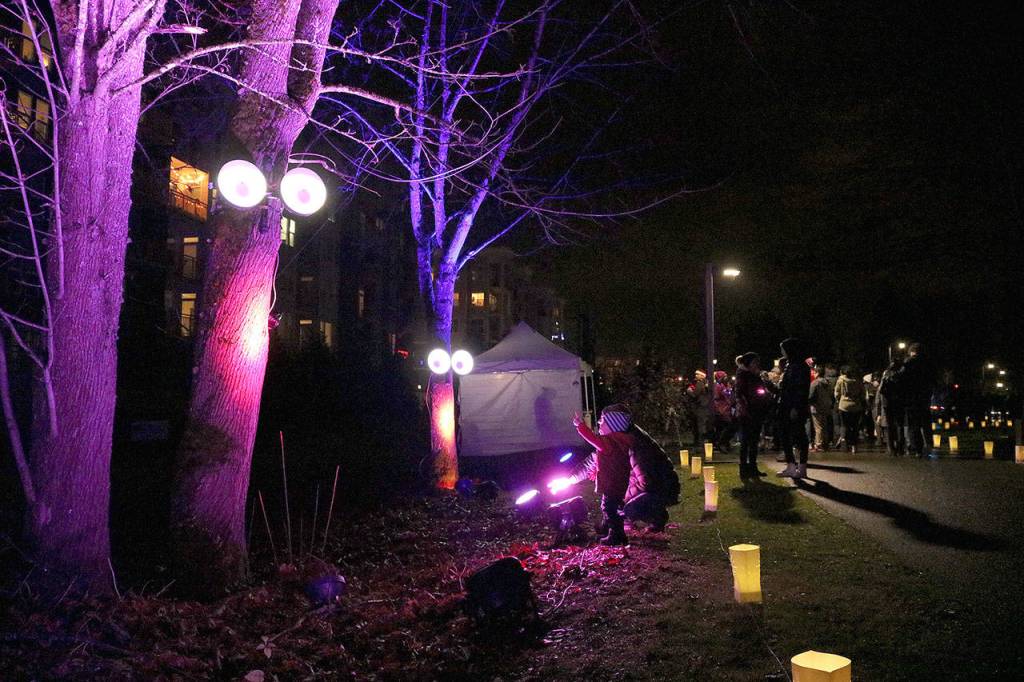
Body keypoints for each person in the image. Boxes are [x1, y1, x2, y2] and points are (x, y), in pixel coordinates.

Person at [552, 405, 634, 545]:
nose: (599, 423)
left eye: (603, 422)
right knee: (614, 507)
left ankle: (617, 535)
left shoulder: (610, 442)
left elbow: (593, 439)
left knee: (608, 508)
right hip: (619, 484)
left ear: (613, 426)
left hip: (611, 485)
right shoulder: (621, 442)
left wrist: (580, 425)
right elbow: (604, 462)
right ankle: (608, 527)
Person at [622, 424, 681, 532]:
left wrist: (623, 497)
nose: (599, 424)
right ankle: (652, 515)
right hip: (655, 487)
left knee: (625, 508)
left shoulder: (637, 448)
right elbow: (593, 459)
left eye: (602, 421)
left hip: (662, 489)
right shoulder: (624, 440)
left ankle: (657, 517)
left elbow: (646, 482)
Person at [733, 352, 775, 478]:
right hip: (748, 413)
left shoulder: (755, 376)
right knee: (746, 441)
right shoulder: (743, 375)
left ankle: (752, 467)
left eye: (757, 362)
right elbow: (739, 394)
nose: (757, 365)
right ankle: (744, 468)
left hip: (757, 411)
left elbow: (761, 390)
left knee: (754, 441)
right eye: (754, 362)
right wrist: (745, 407)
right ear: (748, 363)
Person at [893, 343, 935, 457]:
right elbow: (933, 380)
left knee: (913, 424)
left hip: (911, 397)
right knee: (926, 422)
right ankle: (929, 444)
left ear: (911, 352)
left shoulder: (908, 363)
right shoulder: (928, 364)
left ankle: (917, 449)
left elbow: (899, 377)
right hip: (924, 397)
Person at [777, 338, 811, 478]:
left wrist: (795, 407)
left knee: (794, 435)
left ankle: (795, 466)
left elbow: (799, 389)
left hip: (792, 405)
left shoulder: (797, 366)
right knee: (796, 435)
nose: (782, 351)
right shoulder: (794, 365)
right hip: (791, 404)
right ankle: (797, 466)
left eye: (783, 348)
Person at [876, 359, 905, 455]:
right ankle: (901, 448)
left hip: (887, 402)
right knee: (899, 425)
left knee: (889, 426)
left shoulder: (886, 373)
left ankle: (891, 448)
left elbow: (881, 389)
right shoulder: (902, 374)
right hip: (899, 402)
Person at [834, 365, 866, 453]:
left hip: (843, 405)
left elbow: (837, 393)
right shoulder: (858, 381)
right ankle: (854, 446)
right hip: (856, 405)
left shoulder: (841, 380)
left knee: (844, 425)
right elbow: (863, 393)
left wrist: (838, 400)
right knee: (855, 426)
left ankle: (845, 444)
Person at [808, 370, 835, 452]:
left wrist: (810, 403)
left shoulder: (814, 383)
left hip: (816, 407)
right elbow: (832, 395)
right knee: (825, 425)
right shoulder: (828, 383)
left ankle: (818, 444)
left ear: (817, 373)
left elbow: (810, 395)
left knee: (818, 427)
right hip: (826, 406)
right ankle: (825, 444)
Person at [685, 370, 713, 446]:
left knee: (700, 425)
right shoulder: (706, 383)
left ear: (702, 376)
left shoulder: (699, 383)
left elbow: (695, 395)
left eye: (697, 374)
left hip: (700, 407)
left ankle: (700, 442)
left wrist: (689, 391)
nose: (696, 375)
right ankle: (703, 441)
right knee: (703, 424)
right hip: (705, 406)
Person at [711, 370, 736, 452]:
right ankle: (721, 443)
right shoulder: (718, 386)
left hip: (725, 408)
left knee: (721, 427)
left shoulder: (721, 385)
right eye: (724, 377)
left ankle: (723, 443)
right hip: (721, 409)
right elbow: (722, 395)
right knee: (727, 426)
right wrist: (728, 390)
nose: (726, 378)